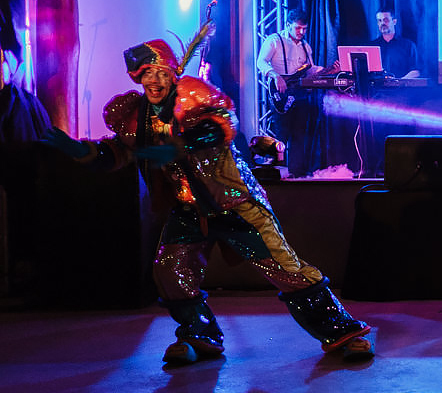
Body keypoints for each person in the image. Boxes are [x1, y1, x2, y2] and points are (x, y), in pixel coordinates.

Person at [42, 33, 373, 364]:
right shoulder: (136, 114)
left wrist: (179, 144)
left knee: (286, 270)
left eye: (160, 73)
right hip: (187, 209)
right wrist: (78, 149)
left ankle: (342, 331)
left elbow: (220, 125)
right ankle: (199, 335)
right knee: (170, 270)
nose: (154, 80)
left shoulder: (193, 95)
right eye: (146, 74)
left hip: (235, 204)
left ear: (173, 73)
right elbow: (116, 151)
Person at [255, 8, 329, 177]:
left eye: (304, 28)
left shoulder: (305, 46)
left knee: (300, 135)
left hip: (300, 96)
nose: (301, 32)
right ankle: (277, 173)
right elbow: (261, 62)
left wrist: (328, 70)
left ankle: (297, 174)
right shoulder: (274, 40)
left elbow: (309, 70)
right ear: (288, 25)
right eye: (297, 28)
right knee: (282, 133)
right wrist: (275, 76)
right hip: (280, 96)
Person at [371, 8, 419, 79]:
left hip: (401, 88)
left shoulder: (408, 45)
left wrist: (399, 82)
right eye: (379, 21)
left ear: (394, 21)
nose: (382, 23)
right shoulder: (372, 46)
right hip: (377, 89)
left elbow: (416, 72)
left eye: (386, 20)